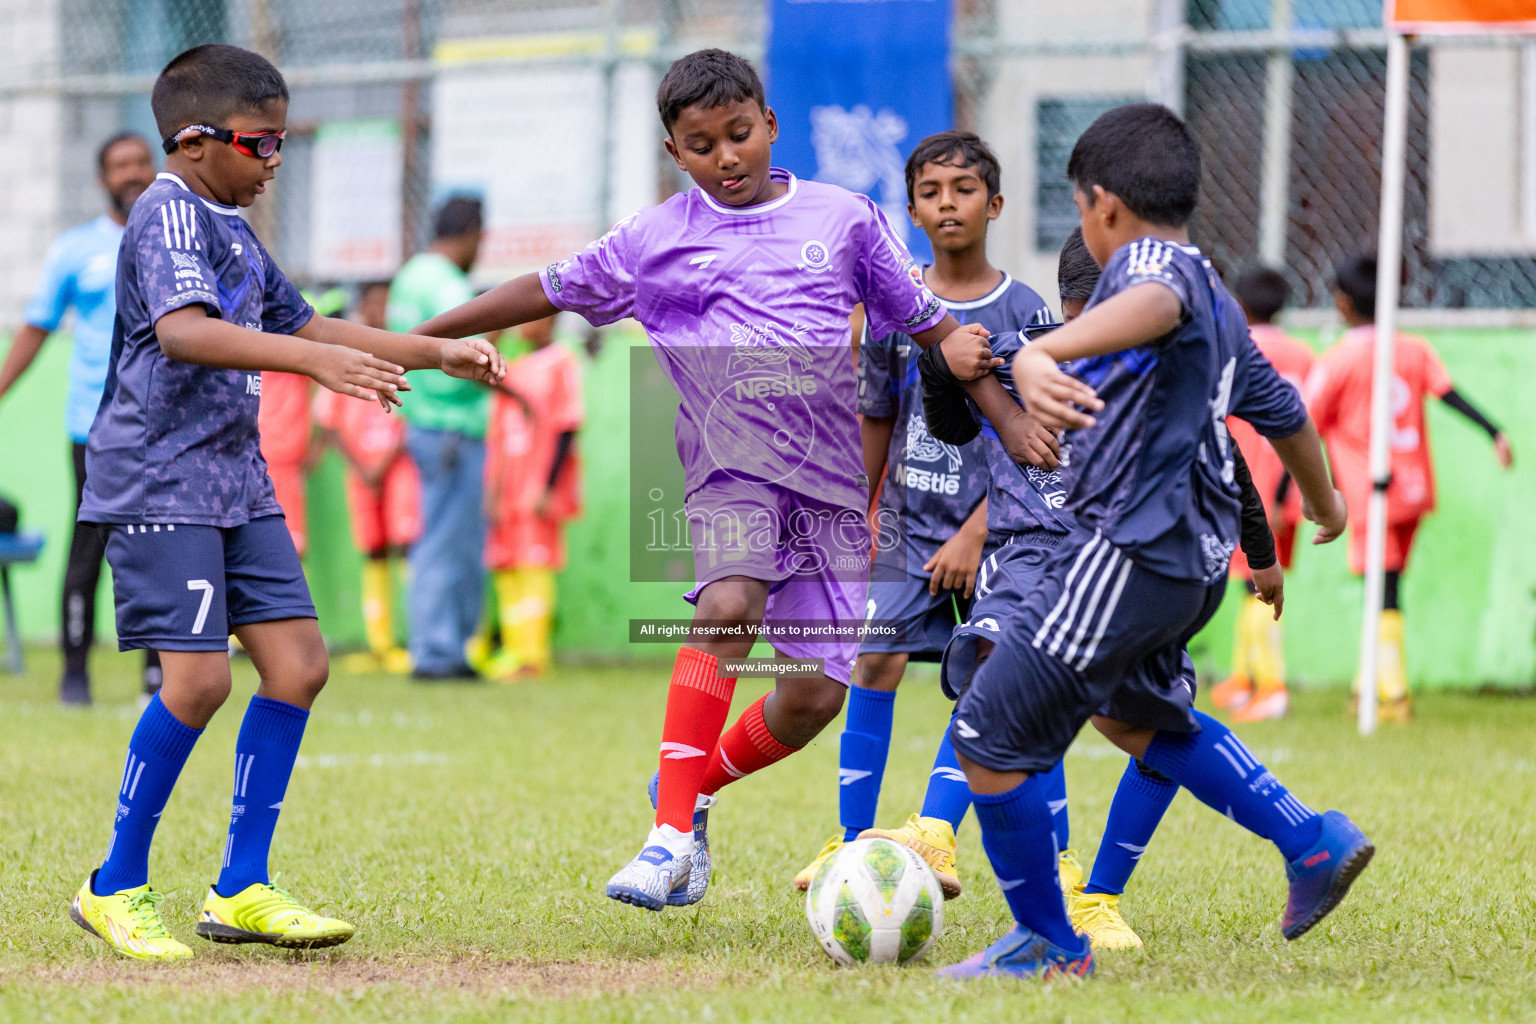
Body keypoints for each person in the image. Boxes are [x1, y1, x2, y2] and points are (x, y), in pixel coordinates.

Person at [413, 48, 1018, 912]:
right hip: (726, 468)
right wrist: (420, 342)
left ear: (770, 127)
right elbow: (541, 288)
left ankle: (693, 793)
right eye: (702, 145)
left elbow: (920, 317)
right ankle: (664, 839)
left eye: (740, 134)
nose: (726, 157)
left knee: (811, 698)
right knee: (727, 603)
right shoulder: (653, 238)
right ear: (676, 153)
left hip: (830, 486)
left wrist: (972, 370)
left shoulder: (844, 218)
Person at [67, 44, 504, 961]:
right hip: (159, 479)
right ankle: (113, 885)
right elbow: (187, 334)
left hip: (233, 478)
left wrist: (436, 350)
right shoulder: (165, 215)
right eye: (258, 144)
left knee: (300, 664)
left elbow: (303, 323)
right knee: (199, 682)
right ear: (193, 142)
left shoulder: (230, 224)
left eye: (281, 146)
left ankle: (241, 888)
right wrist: (317, 366)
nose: (272, 161)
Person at [936, 103, 1369, 980]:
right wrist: (1324, 503)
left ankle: (1049, 946)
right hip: (1190, 562)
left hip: (1134, 552)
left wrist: (1039, 352)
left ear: (1101, 206)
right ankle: (1312, 841)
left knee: (986, 732)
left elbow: (1151, 296)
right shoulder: (1215, 290)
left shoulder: (1157, 268)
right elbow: (1281, 412)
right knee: (1132, 718)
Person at [885, 227, 1285, 953]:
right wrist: (947, 365)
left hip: (1122, 567)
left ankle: (1095, 898)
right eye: (1080, 318)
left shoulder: (1168, 376)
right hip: (1028, 559)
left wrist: (1260, 556)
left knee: (1159, 722)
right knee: (996, 674)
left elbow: (1231, 464)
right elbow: (950, 418)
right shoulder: (1021, 350)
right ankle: (938, 831)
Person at [792, 130, 1055, 892]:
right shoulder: (894, 306)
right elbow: (877, 412)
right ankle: (850, 844)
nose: (948, 205)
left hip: (996, 530)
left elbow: (1028, 437)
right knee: (872, 658)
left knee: (987, 671)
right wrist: (859, 509)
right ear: (910, 208)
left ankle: (936, 834)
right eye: (932, 193)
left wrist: (977, 532)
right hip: (906, 524)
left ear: (994, 204)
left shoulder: (1026, 310)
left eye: (964, 190)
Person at [1307, 253, 1513, 721]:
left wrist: (1284, 493)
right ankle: (1370, 684)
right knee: (1389, 585)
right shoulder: (1414, 349)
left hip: (1367, 492)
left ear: (1342, 303)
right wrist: (1494, 431)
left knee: (1380, 590)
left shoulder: (1338, 360)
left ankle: (1392, 692)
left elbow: (1304, 427)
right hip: (1414, 487)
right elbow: (1449, 394)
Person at [0, 131, 160, 706]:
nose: (133, 172)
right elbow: (38, 327)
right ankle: (74, 674)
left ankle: (156, 678)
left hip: (166, 423)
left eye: (141, 161)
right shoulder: (76, 249)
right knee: (89, 544)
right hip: (95, 427)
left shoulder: (177, 238)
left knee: (159, 547)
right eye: (120, 165)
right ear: (102, 179)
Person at [389, 197, 490, 681]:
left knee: (441, 536)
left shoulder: (410, 276)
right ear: (471, 232)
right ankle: (436, 651)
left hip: (422, 421)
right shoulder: (449, 283)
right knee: (448, 542)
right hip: (454, 425)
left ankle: (442, 646)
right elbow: (470, 359)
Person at [1211, 266, 1316, 722]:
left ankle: (1271, 685)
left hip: (1244, 484)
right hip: (1289, 484)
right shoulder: (1304, 355)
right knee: (1257, 582)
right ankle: (1243, 678)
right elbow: (1306, 420)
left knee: (1253, 583)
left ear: (1243, 306)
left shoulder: (1234, 348)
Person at [313, 281, 419, 674]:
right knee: (373, 552)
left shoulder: (407, 351)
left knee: (407, 547)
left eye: (387, 302)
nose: (381, 310)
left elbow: (415, 417)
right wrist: (362, 467)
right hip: (362, 473)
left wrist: (384, 461)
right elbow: (331, 421)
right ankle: (381, 643)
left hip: (398, 468)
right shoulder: (347, 358)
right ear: (363, 310)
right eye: (374, 304)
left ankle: (417, 639)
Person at [474, 314, 583, 681]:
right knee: (506, 567)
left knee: (535, 566)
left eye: (531, 318)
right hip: (507, 488)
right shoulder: (516, 367)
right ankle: (514, 651)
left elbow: (569, 426)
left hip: (536, 487)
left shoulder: (562, 361)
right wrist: (492, 490)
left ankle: (533, 657)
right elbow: (499, 428)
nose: (522, 325)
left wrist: (549, 486)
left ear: (551, 321)